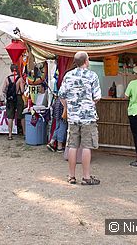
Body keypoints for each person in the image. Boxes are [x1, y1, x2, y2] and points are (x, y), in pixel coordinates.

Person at [59, 51, 102, 185]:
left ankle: (71, 176)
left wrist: (68, 107)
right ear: (86, 61)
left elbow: (61, 95)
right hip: (88, 117)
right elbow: (97, 97)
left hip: (73, 117)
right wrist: (88, 105)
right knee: (86, 146)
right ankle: (86, 177)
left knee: (72, 146)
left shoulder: (68, 75)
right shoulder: (92, 75)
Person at [2, 64, 25, 140]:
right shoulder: (20, 79)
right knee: (21, 116)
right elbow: (22, 91)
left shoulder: (7, 79)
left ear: (11, 70)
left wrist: (9, 92)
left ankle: (10, 135)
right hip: (18, 98)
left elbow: (3, 90)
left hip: (10, 99)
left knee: (10, 117)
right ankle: (24, 133)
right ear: (17, 69)